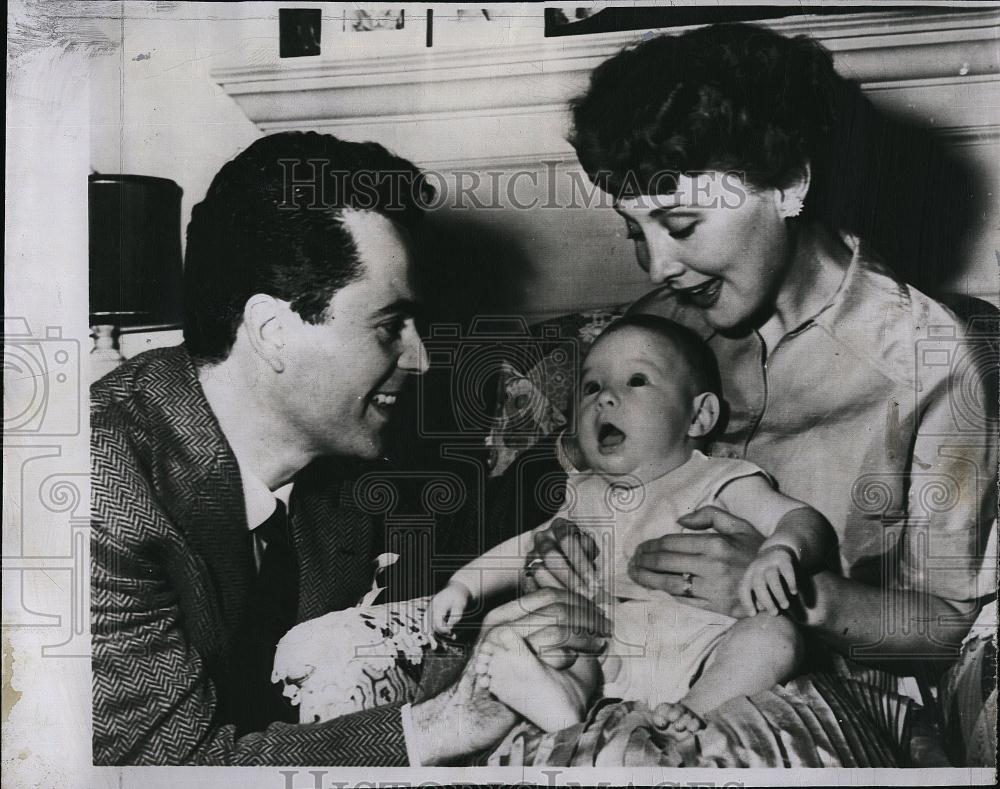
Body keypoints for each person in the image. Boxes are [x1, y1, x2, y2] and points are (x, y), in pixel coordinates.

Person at [90, 131, 609, 765]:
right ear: (274, 331)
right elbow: (170, 772)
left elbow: (439, 596)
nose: (420, 360)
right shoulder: (99, 486)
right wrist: (439, 725)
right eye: (391, 327)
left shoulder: (345, 463)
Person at [524, 22, 997, 689]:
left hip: (814, 694)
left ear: (788, 185)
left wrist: (793, 592)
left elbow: (945, 623)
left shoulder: (935, 360)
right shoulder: (656, 329)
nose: (659, 265)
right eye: (636, 231)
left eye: (682, 225)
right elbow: (592, 497)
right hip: (629, 668)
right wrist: (562, 553)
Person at [432, 314, 837, 733]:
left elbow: (802, 518)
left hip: (706, 649)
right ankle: (564, 698)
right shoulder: (583, 491)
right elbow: (524, 547)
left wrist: (780, 549)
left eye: (636, 381)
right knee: (548, 624)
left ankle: (695, 709)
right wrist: (463, 584)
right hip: (607, 651)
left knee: (774, 637)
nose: (604, 398)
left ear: (699, 416)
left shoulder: (717, 478)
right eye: (591, 387)